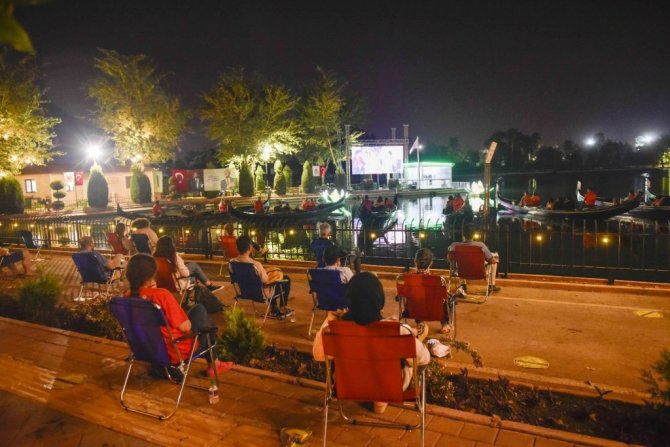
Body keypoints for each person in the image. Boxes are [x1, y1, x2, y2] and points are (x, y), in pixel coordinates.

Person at [312, 272, 430, 414]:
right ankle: (380, 399)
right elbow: (425, 359)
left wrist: (329, 320)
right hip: (388, 387)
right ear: (380, 300)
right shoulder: (397, 331)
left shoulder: (333, 330)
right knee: (412, 358)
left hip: (349, 386)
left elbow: (318, 355)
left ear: (348, 300)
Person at [124, 253, 233, 377]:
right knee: (201, 313)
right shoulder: (161, 295)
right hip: (174, 352)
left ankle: (214, 364)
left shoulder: (125, 298)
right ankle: (214, 364)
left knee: (198, 315)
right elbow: (185, 327)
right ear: (152, 274)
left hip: (145, 351)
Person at [230, 235, 292, 318]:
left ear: (237, 248)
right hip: (260, 294)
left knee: (268, 282)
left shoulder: (232, 263)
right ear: (250, 248)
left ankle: (274, 307)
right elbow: (265, 281)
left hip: (243, 292)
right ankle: (282, 308)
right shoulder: (255, 265)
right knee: (286, 279)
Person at [154, 236, 222, 293]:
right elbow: (185, 274)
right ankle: (209, 286)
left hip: (163, 285)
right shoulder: (173, 257)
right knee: (194, 270)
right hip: (177, 285)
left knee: (193, 266)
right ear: (171, 246)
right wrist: (181, 262)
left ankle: (208, 286)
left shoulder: (155, 259)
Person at [448, 224, 500, 294]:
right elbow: (492, 261)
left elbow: (449, 257)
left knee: (459, 260)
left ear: (463, 234)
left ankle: (463, 285)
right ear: (473, 234)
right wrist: (495, 257)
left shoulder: (455, 245)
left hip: (461, 272)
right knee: (494, 262)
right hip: (478, 272)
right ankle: (491, 285)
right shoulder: (480, 245)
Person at [412, 248, 453, 336]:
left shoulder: (408, 279)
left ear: (415, 261)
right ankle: (445, 323)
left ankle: (419, 321)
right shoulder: (438, 280)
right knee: (446, 298)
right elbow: (444, 297)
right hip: (434, 311)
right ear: (431, 263)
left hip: (413, 311)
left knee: (415, 298)